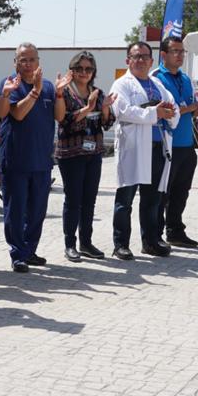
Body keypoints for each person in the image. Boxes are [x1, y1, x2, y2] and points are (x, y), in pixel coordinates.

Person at [109, 42, 178, 260]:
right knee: (125, 199)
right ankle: (121, 243)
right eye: (135, 56)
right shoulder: (121, 85)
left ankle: (150, 241)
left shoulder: (157, 83)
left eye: (145, 57)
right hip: (134, 147)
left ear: (151, 61)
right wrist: (155, 113)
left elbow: (173, 107)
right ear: (128, 60)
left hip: (158, 146)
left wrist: (168, 113)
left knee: (152, 199)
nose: (140, 60)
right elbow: (124, 111)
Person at [0, 42, 57, 272]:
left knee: (37, 210)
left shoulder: (49, 87)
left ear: (38, 61)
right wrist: (35, 91)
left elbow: (59, 115)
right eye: (23, 59)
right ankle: (17, 254)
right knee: (16, 208)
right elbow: (18, 113)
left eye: (32, 59)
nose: (28, 63)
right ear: (15, 62)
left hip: (42, 159)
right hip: (16, 158)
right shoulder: (11, 84)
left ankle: (30, 251)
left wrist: (58, 93)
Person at [53, 51, 114, 262]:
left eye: (88, 69)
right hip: (71, 153)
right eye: (79, 69)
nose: (84, 73)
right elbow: (64, 120)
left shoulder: (97, 92)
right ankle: (70, 244)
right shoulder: (65, 92)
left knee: (89, 200)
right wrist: (87, 108)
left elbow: (107, 123)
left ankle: (86, 243)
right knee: (73, 199)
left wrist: (104, 109)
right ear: (72, 70)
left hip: (93, 153)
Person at [152, 36, 198, 248]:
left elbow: (187, 111)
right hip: (167, 144)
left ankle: (175, 231)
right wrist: (190, 108)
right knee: (161, 193)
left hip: (186, 144)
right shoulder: (157, 77)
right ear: (164, 55)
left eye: (182, 51)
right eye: (175, 51)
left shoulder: (185, 78)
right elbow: (166, 110)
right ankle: (154, 234)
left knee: (181, 192)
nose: (180, 55)